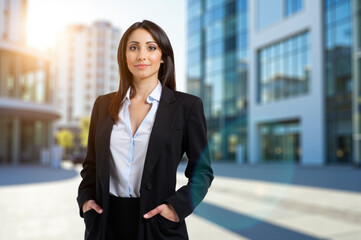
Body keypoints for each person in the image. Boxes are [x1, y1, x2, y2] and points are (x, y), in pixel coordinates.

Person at [77, 20, 213, 240]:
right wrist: (85, 201)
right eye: (133, 47)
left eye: (151, 48)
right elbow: (91, 165)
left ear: (163, 56)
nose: (142, 56)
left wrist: (176, 209)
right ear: (124, 56)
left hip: (157, 226)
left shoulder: (186, 107)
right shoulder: (103, 105)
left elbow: (202, 171)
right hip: (104, 225)